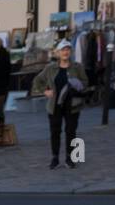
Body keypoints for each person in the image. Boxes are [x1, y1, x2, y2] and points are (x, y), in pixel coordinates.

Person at [33, 40, 89, 169]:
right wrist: (45, 91)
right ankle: (55, 158)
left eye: (68, 49)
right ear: (58, 52)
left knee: (71, 131)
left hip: (72, 105)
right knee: (55, 131)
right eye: (63, 50)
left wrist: (78, 84)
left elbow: (85, 82)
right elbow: (37, 81)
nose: (66, 52)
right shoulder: (50, 68)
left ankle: (70, 158)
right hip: (55, 105)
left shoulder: (77, 67)